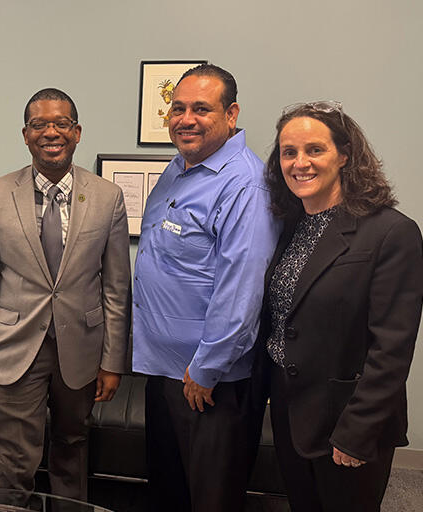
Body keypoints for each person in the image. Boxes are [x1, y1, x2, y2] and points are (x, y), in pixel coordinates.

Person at [0, 88, 130, 500]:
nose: (50, 131)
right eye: (39, 124)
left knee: (72, 447)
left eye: (61, 123)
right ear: (25, 134)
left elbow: (116, 287)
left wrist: (113, 361)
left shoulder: (108, 197)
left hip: (82, 350)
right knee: (12, 457)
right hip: (14, 347)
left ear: (77, 132)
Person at [259, 101, 423, 511]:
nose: (300, 163)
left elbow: (391, 349)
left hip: (347, 422)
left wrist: (357, 431)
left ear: (345, 155)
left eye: (315, 150)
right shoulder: (290, 226)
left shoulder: (391, 233)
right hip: (291, 412)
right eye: (289, 152)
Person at [132, 63, 280, 512]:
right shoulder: (179, 169)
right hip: (166, 370)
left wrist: (207, 368)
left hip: (209, 382)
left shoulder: (245, 185)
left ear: (231, 114)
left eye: (201, 108)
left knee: (210, 499)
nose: (185, 119)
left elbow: (242, 290)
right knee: (170, 491)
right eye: (177, 109)